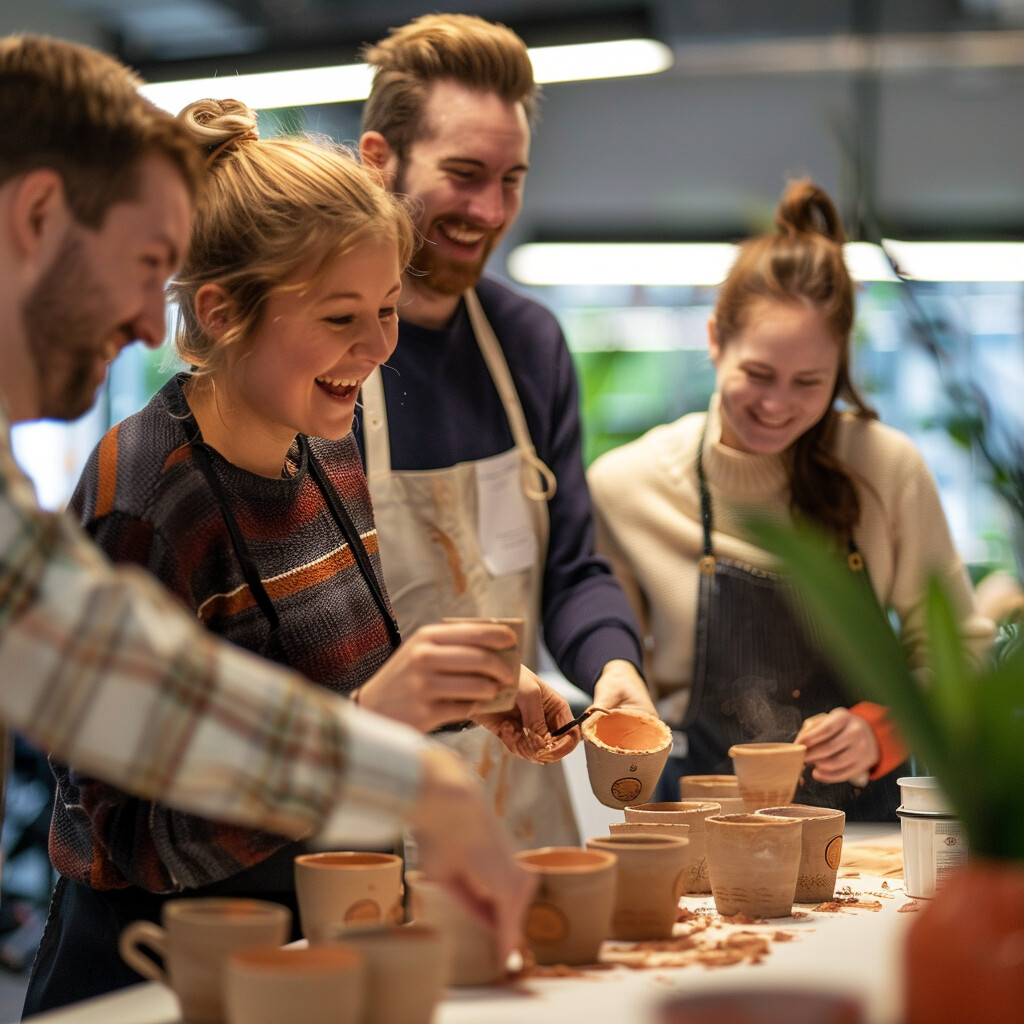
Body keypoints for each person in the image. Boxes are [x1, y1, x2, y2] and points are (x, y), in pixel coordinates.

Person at [0, 31, 532, 999]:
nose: (149, 328)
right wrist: (392, 754)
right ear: (37, 214)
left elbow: (105, 664)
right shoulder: (151, 482)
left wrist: (420, 769)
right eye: (140, 263)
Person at [588, 179, 994, 820]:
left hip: (863, 846)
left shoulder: (883, 469)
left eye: (810, 382)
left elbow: (962, 650)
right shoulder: (627, 485)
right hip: (700, 842)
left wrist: (883, 731)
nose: (778, 406)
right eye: (758, 374)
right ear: (716, 338)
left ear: (840, 368)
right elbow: (615, 659)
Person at [355, 13, 655, 847]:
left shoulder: (527, 345)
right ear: (379, 160)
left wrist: (614, 664)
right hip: (374, 804)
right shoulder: (324, 362)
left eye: (512, 179)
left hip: (518, 807)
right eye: (463, 173)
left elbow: (570, 565)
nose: (489, 210)